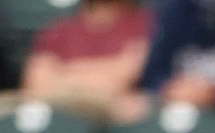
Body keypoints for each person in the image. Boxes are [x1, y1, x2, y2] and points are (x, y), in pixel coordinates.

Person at [20, 0, 153, 123]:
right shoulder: (61, 28)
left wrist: (65, 73)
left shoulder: (146, 23)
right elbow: (37, 86)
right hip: (61, 115)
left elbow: (125, 75)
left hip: (116, 121)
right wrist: (103, 73)